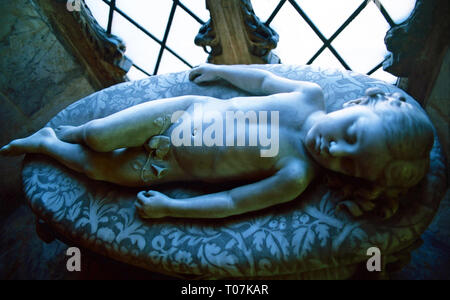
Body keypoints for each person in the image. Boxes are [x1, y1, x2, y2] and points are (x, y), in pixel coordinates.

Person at [0, 64, 434, 219]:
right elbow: (263, 79)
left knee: (97, 168)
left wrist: (173, 208)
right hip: (180, 114)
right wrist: (223, 69)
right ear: (358, 102)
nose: (335, 151)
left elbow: (231, 203)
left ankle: (48, 144)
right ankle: (71, 133)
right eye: (351, 134)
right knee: (96, 136)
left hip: (168, 169)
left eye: (351, 165)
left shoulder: (295, 175)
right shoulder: (308, 96)